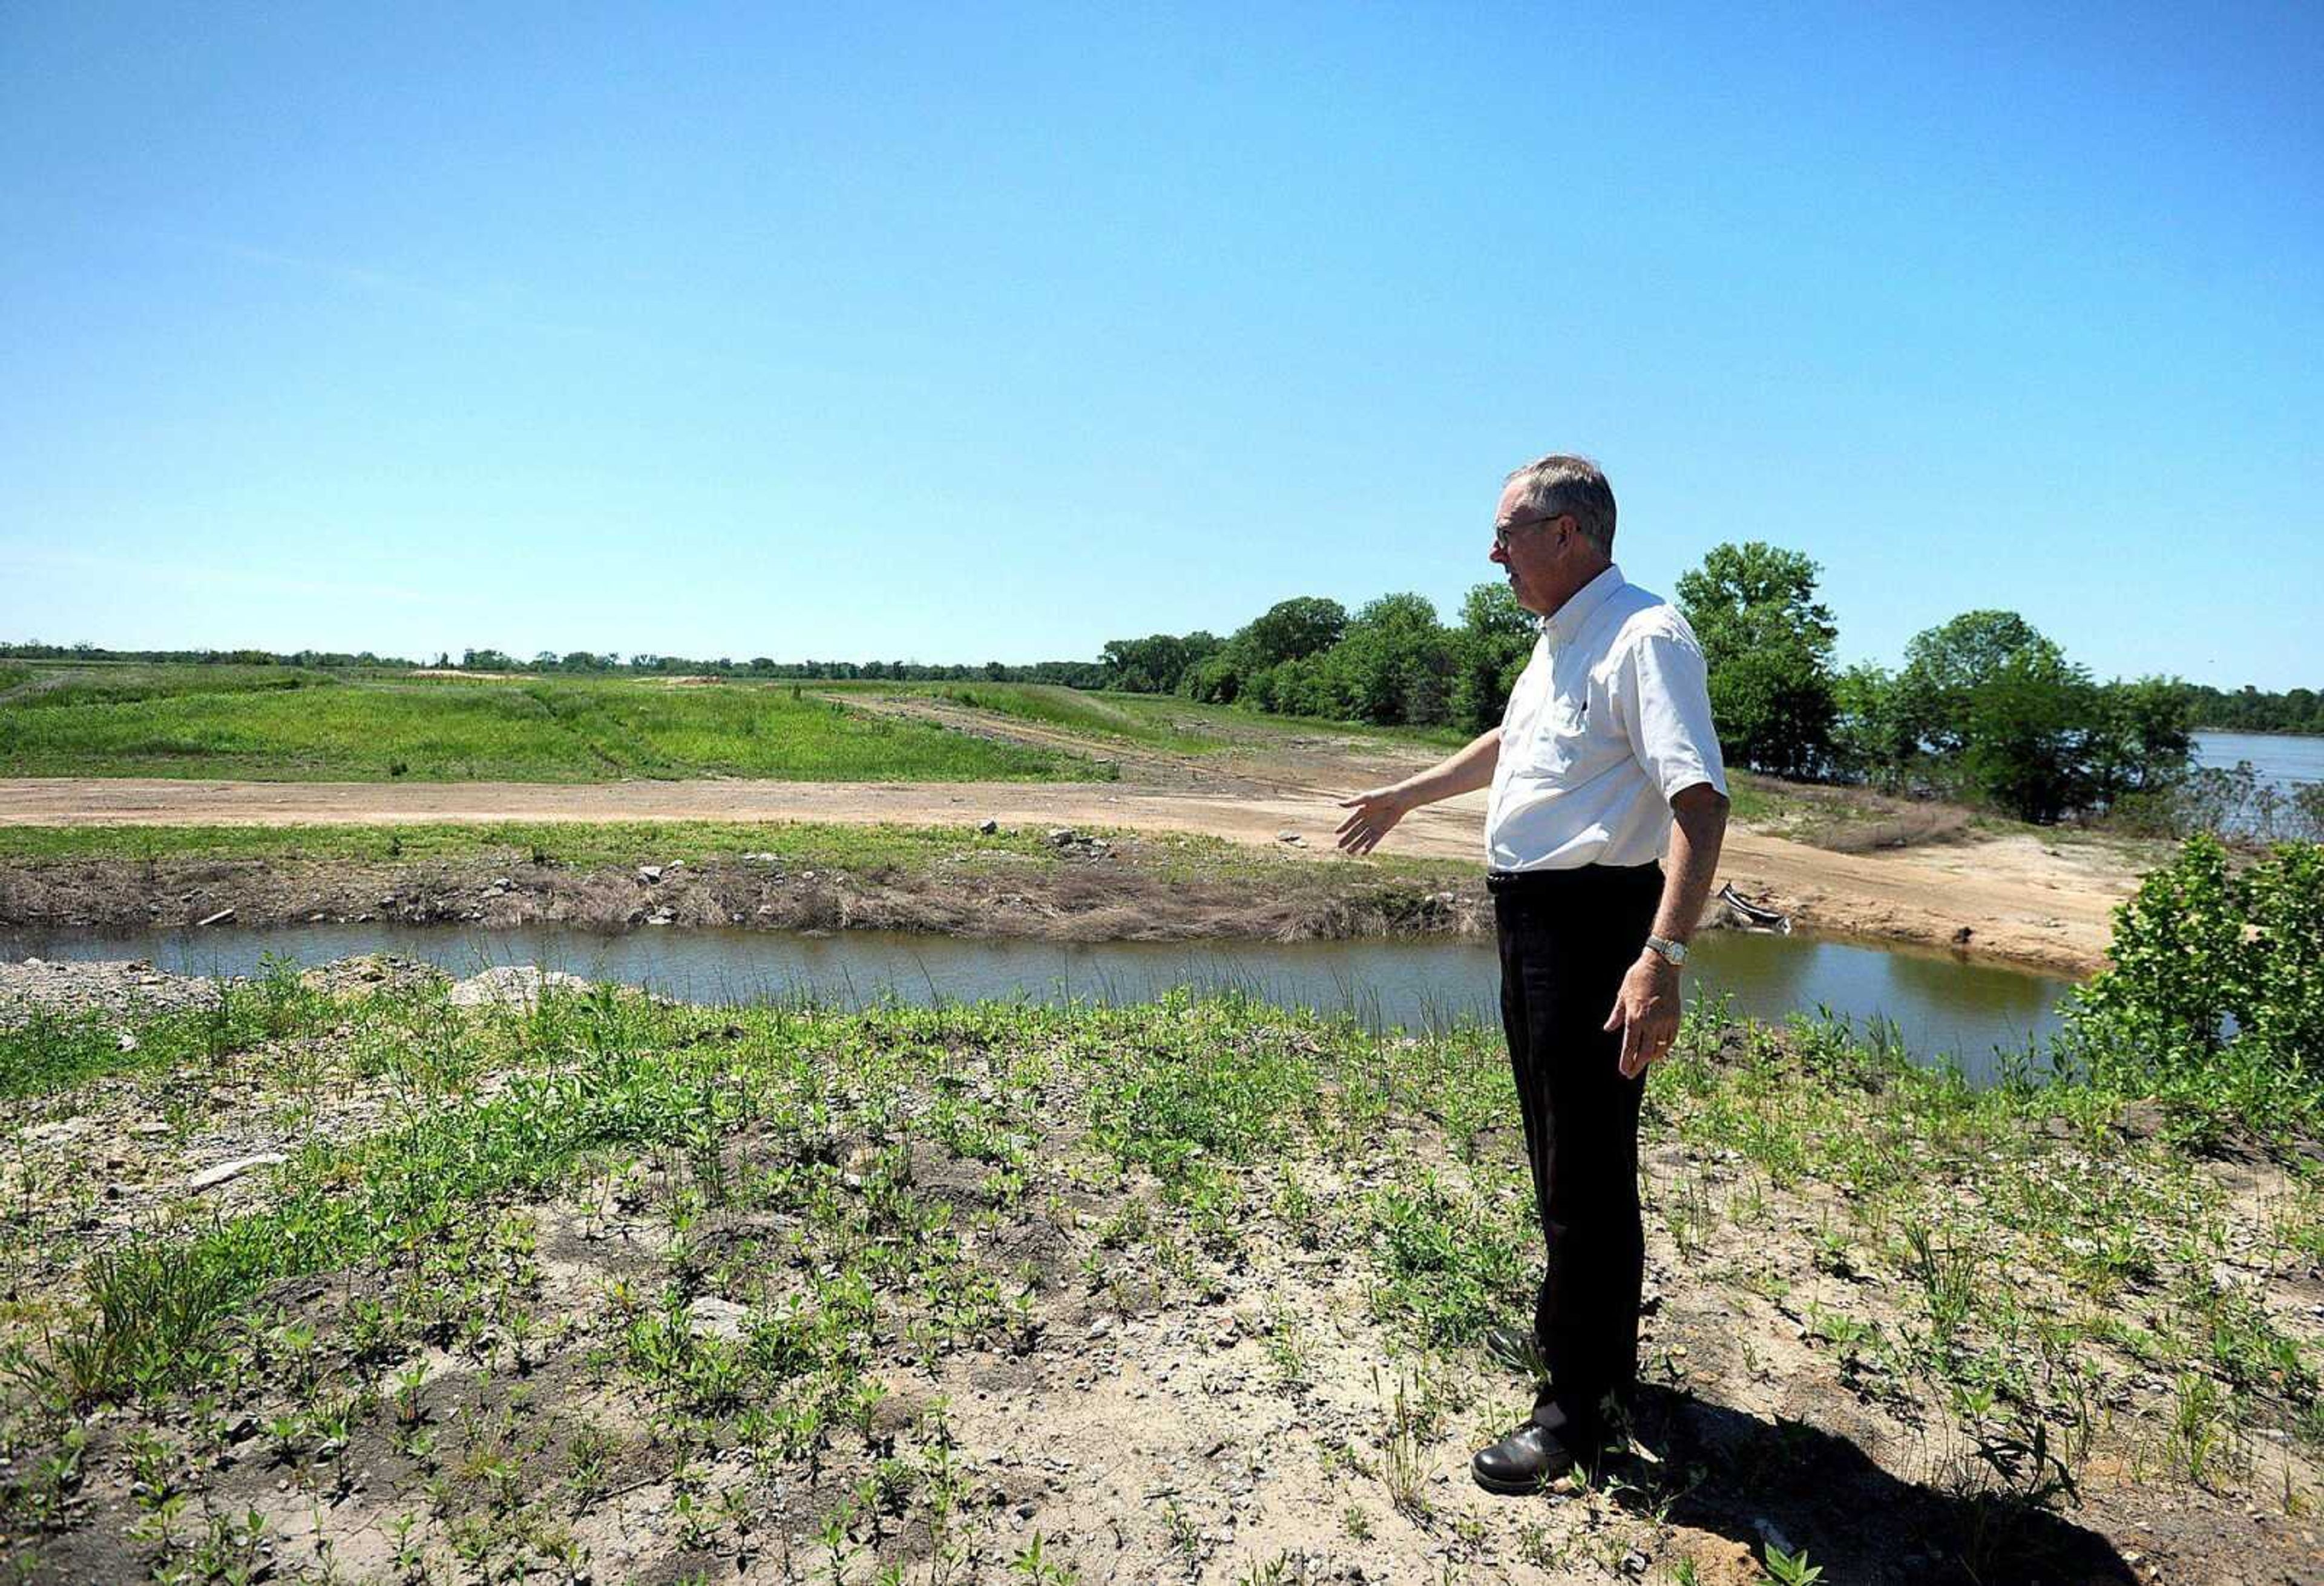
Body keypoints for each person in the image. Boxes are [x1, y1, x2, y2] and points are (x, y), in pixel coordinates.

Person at [1335, 453, 1728, 1495]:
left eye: (1509, 530)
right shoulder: (1565, 638)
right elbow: (1512, 744)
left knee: (1584, 1172)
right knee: (1571, 1156)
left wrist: (1662, 955)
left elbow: (1699, 804)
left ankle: (1578, 1413)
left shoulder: (1646, 633)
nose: (1493, 550)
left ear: (1570, 534)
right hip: (1536, 924)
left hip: (1596, 926)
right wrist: (1407, 797)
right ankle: (1596, 1364)